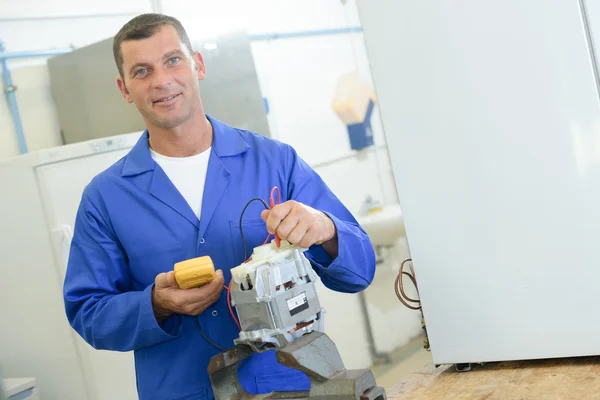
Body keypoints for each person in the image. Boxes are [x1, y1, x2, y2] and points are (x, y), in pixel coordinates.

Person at [63, 13, 376, 400]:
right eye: (142, 71)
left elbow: (360, 271)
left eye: (173, 60)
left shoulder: (275, 162)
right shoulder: (105, 197)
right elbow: (88, 313)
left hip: (289, 383)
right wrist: (156, 304)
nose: (162, 80)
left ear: (198, 64)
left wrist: (326, 228)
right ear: (124, 88)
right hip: (179, 389)